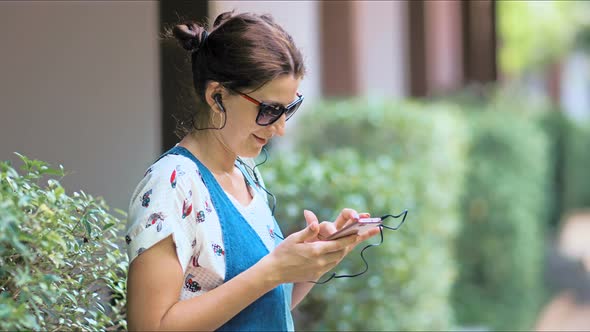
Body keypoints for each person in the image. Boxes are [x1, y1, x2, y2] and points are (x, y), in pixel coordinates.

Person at [125, 11, 380, 331]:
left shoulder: (245, 175)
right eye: (270, 110)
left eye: (288, 109)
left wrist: (310, 264)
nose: (281, 128)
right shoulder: (172, 185)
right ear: (217, 96)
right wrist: (272, 270)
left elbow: (259, 309)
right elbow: (150, 326)